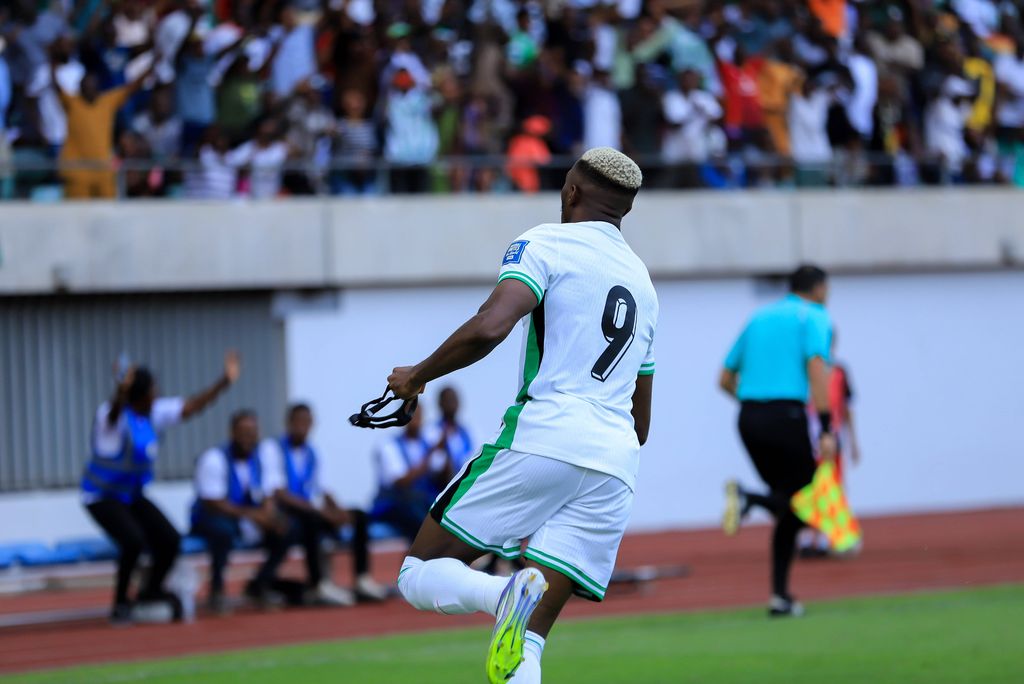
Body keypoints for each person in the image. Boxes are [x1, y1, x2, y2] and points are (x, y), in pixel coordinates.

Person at [388, 147, 657, 684]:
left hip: (546, 438)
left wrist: (417, 375)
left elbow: (491, 325)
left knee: (416, 573)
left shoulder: (546, 242)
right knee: (526, 643)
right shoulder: (645, 285)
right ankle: (515, 602)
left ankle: (502, 592)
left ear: (571, 191)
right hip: (615, 467)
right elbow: (640, 421)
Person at [82, 351, 240, 624]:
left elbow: (192, 406)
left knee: (170, 539)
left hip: (131, 495)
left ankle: (150, 591)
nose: (157, 393)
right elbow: (113, 415)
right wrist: (120, 391)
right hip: (101, 496)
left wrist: (223, 382)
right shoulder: (113, 416)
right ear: (139, 395)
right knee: (133, 541)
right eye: (152, 389)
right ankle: (120, 604)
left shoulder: (153, 413)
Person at [718, 265, 835, 617]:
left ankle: (779, 598)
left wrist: (756, 405)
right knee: (806, 500)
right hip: (788, 416)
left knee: (789, 507)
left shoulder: (758, 318)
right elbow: (817, 367)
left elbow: (724, 378)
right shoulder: (813, 316)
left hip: (749, 418)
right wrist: (827, 427)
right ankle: (748, 497)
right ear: (817, 288)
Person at [263, 403, 389, 603]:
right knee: (311, 519)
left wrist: (339, 511)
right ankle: (318, 584)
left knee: (359, 516)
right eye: (298, 422)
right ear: (288, 423)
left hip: (310, 511)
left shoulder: (312, 453)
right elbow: (278, 492)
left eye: (307, 422)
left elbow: (323, 489)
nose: (303, 426)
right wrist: (321, 512)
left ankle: (362, 579)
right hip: (288, 514)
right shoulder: (273, 449)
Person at [191, 410, 294, 612]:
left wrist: (269, 515)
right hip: (211, 518)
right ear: (232, 433)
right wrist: (254, 515)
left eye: (253, 432)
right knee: (223, 532)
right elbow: (213, 502)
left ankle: (260, 585)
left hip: (244, 518)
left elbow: (267, 493)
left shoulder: (260, 460)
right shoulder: (214, 458)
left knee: (287, 528)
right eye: (244, 432)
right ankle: (217, 591)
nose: (249, 438)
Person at [52, 56, 156, 199]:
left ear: (98, 88)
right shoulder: (73, 103)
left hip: (103, 170)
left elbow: (131, 87)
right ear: (80, 88)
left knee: (108, 212)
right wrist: (52, 61)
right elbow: (56, 87)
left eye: (92, 86)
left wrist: (151, 67)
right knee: (76, 215)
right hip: (77, 172)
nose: (88, 89)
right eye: (85, 86)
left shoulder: (106, 102)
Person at [370, 405, 453, 542]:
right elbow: (401, 482)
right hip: (395, 505)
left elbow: (443, 478)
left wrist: (446, 448)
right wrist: (432, 453)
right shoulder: (389, 445)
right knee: (423, 520)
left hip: (421, 502)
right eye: (411, 414)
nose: (415, 419)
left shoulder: (426, 444)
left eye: (418, 415)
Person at [424, 387, 475, 472]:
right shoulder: (430, 431)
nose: (451, 403)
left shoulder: (468, 432)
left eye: (454, 399)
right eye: (447, 400)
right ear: (440, 403)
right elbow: (434, 465)